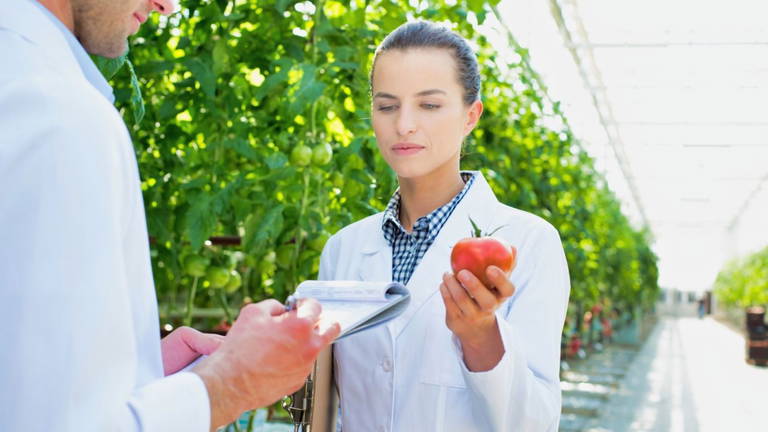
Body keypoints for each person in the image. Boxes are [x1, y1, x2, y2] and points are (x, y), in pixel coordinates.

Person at [0, 1, 339, 430]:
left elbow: (22, 378)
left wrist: (137, 373)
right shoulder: (57, 112)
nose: (166, 5)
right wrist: (229, 383)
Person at [318, 21, 571, 431]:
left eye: (429, 105)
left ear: (471, 116)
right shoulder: (343, 250)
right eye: (386, 106)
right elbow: (327, 407)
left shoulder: (530, 243)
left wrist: (481, 337)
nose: (403, 125)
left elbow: (537, 423)